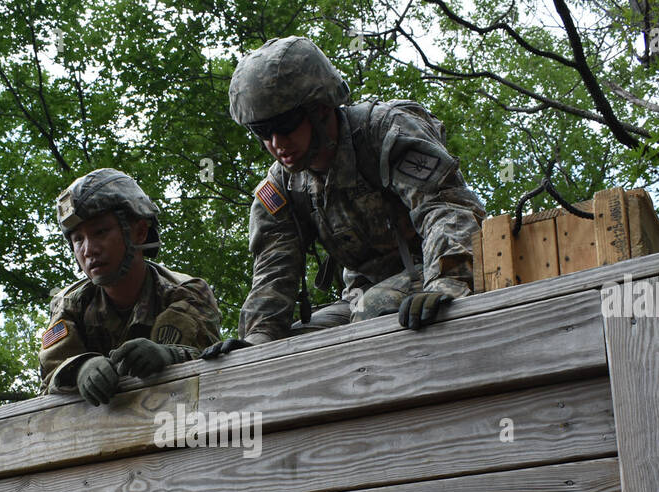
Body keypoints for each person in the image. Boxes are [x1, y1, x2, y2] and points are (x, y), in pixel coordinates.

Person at [203, 36, 487, 359]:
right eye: (263, 131)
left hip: (435, 274)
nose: (277, 142)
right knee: (292, 351)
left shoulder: (385, 132)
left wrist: (448, 282)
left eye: (286, 124)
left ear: (321, 109)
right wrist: (256, 342)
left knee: (371, 309)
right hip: (359, 297)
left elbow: (446, 206)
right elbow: (274, 270)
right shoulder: (281, 187)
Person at [40, 168, 222, 404]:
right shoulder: (71, 304)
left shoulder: (186, 293)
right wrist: (80, 368)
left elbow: (213, 369)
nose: (88, 250)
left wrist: (171, 356)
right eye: (78, 240)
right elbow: (49, 379)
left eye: (101, 232)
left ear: (139, 232)